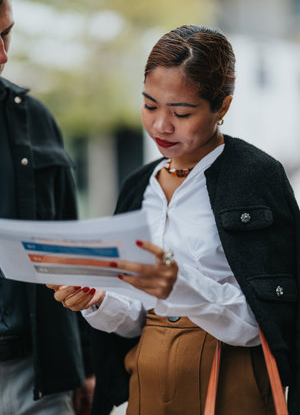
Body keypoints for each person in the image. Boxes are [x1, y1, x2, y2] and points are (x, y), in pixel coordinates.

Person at [48, 25, 300, 415]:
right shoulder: (138, 186)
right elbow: (134, 320)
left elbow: (269, 322)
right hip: (146, 381)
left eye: (181, 112)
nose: (161, 125)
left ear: (223, 107)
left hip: (231, 379)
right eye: (149, 105)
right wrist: (98, 300)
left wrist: (177, 282)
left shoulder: (256, 176)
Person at [0, 0, 95, 415]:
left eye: (6, 35)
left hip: (37, 372)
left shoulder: (35, 119)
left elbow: (70, 250)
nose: (2, 55)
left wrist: (87, 365)